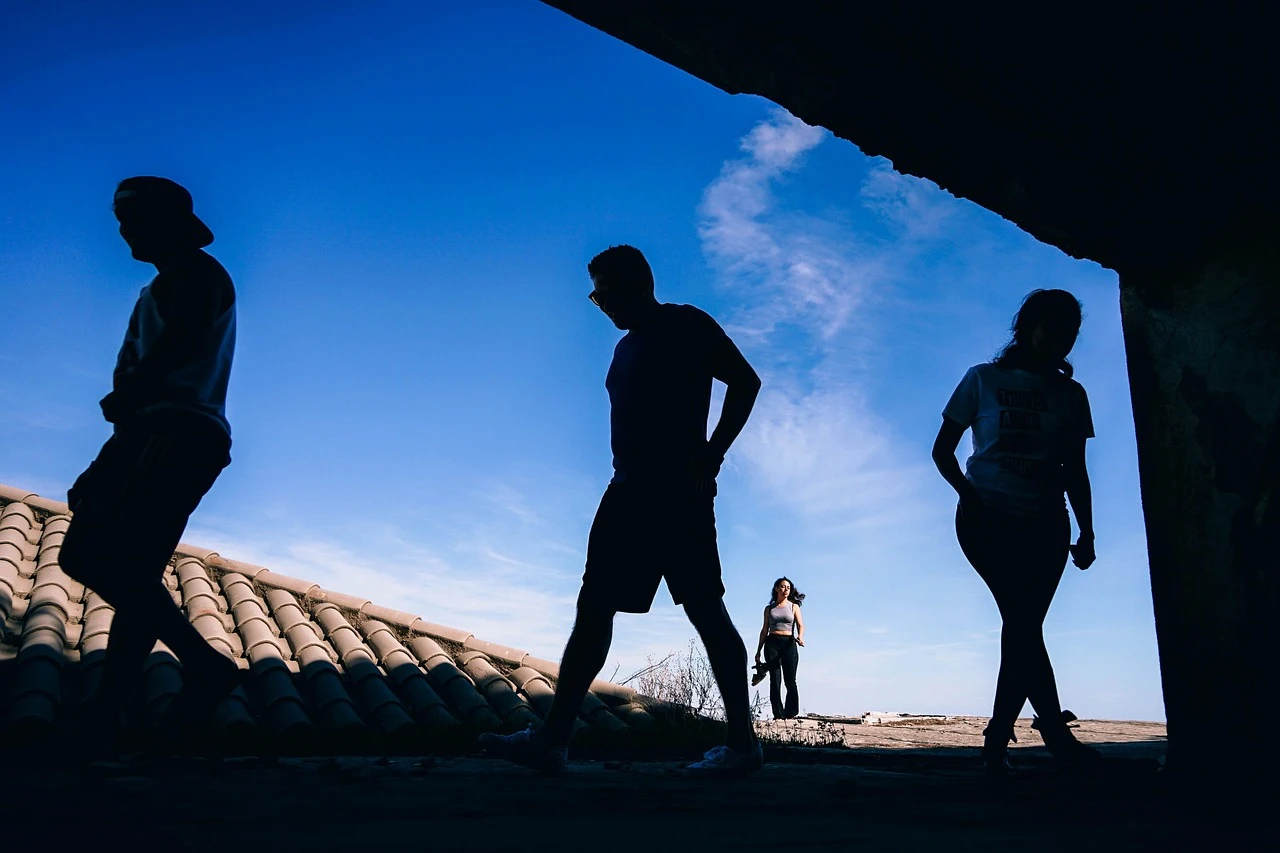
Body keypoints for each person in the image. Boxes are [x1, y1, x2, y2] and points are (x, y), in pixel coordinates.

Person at [481, 245, 764, 776]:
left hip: (679, 493)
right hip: (628, 493)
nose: (599, 304)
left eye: (604, 292)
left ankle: (744, 746)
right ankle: (553, 742)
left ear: (637, 285)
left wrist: (713, 453)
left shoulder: (689, 325)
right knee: (594, 610)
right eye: (595, 296)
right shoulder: (623, 350)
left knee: (706, 609)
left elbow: (746, 383)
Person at [59, 177, 240, 750]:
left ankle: (204, 667)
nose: (123, 230)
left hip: (172, 431)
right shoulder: (167, 284)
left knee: (86, 554)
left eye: (133, 219)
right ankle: (106, 715)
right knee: (136, 574)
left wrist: (133, 394)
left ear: (166, 224)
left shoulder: (197, 274)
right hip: (167, 433)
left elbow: (181, 340)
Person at [931, 288, 1103, 776]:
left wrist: (1087, 531)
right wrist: (968, 494)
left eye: (1072, 333)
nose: (1064, 340)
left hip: (1048, 525)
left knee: (1023, 627)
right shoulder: (982, 380)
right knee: (1023, 623)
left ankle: (995, 742)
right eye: (1055, 328)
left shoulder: (1072, 394)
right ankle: (1054, 734)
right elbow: (942, 450)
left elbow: (1076, 469)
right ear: (1027, 327)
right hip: (989, 520)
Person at [753, 577, 805, 719]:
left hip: (789, 643)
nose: (786, 589)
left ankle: (791, 712)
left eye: (788, 587)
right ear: (776, 589)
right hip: (772, 643)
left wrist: (800, 636)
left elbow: (800, 625)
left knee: (790, 680)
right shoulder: (769, 609)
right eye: (783, 586)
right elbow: (764, 630)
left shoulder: (794, 607)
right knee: (775, 679)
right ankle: (778, 713)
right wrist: (758, 651)